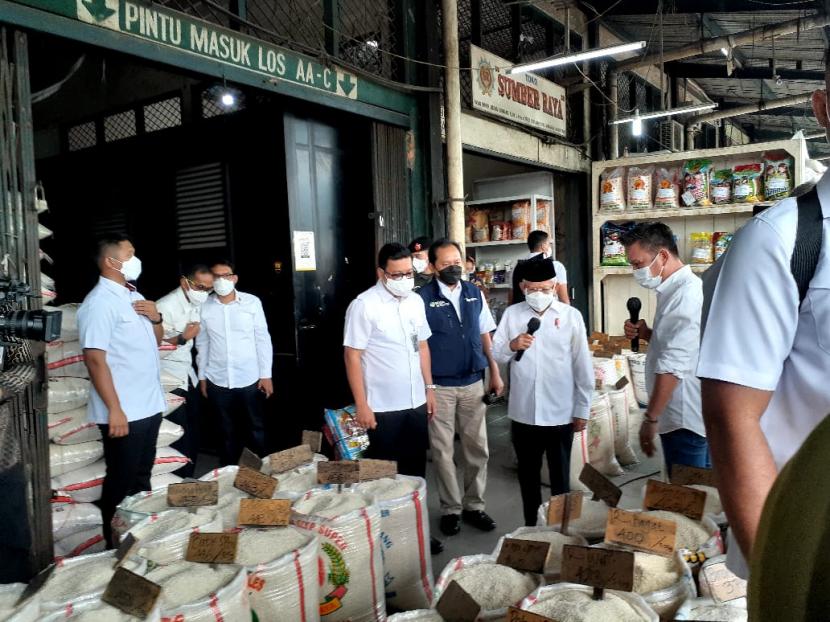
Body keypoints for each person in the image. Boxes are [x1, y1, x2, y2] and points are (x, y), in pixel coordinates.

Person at [697, 75, 830, 578]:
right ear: (822, 107)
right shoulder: (782, 239)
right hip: (815, 555)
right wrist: (783, 585)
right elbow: (732, 419)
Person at [343, 242, 443, 554]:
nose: (403, 279)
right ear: (381, 273)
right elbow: (352, 356)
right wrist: (362, 404)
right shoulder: (363, 305)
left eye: (407, 273)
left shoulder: (414, 301)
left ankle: (417, 533)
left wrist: (430, 389)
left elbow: (423, 347)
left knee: (415, 475)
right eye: (396, 274)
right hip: (381, 409)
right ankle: (386, 542)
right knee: (383, 477)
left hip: (414, 404)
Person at [78, 236, 166, 547]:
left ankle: (138, 539)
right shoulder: (99, 303)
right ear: (111, 262)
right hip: (125, 410)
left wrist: (156, 316)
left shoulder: (134, 295)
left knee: (142, 479)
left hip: (149, 406)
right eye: (130, 253)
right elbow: (94, 358)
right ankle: (114, 547)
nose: (135, 258)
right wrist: (115, 409)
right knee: (121, 481)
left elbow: (156, 339)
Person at [492, 258, 592, 526]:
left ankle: (561, 530)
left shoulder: (571, 317)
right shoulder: (513, 315)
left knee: (560, 480)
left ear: (554, 286)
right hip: (524, 413)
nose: (539, 295)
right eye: (532, 289)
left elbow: (582, 366)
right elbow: (496, 353)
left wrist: (582, 408)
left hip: (560, 414)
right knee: (528, 478)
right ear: (523, 287)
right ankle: (532, 529)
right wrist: (512, 345)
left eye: (545, 289)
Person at [418, 238, 504, 537]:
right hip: (440, 386)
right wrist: (427, 386)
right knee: (442, 452)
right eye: (445, 263)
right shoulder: (421, 299)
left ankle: (474, 506)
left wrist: (494, 371)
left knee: (477, 448)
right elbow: (420, 346)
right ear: (432, 267)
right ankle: (451, 509)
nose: (453, 266)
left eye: (457, 261)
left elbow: (485, 334)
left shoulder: (473, 293)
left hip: (472, 383)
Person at [621, 223, 708, 477]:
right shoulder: (672, 290)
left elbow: (673, 364)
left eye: (638, 264)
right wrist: (647, 334)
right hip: (680, 414)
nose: (635, 271)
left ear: (663, 256)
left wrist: (651, 418)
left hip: (683, 417)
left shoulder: (685, 295)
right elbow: (676, 344)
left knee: (689, 498)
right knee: (697, 496)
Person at [196, 260, 273, 465]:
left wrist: (266, 374)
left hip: (249, 378)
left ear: (235, 278)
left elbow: (262, 339)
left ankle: (260, 475)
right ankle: (228, 476)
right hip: (217, 379)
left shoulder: (252, 302)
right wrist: (202, 377)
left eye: (226, 275)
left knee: (255, 429)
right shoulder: (203, 306)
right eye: (217, 277)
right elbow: (202, 343)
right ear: (211, 280)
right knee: (224, 433)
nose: (222, 280)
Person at [156, 265, 214, 477]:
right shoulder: (165, 306)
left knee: (193, 431)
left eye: (209, 289)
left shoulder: (195, 302)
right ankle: (177, 481)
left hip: (187, 375)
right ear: (184, 282)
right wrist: (182, 338)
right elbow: (151, 346)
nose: (204, 293)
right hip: (169, 379)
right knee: (178, 434)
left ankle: (189, 477)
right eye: (200, 287)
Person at [511, 230, 570, 304]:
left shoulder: (516, 267)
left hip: (521, 312)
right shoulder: (556, 266)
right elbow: (564, 299)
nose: (550, 246)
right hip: (549, 312)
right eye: (549, 244)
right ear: (543, 246)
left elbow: (512, 296)